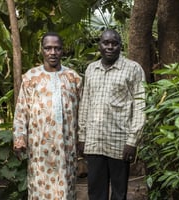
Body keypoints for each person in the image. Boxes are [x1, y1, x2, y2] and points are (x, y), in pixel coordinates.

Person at [78, 29, 146, 200]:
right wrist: (82, 136)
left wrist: (133, 141)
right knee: (95, 191)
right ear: (99, 45)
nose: (110, 47)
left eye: (114, 43)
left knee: (119, 192)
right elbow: (85, 103)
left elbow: (140, 105)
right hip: (94, 141)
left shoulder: (133, 69)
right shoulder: (91, 69)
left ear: (120, 46)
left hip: (120, 142)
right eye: (105, 43)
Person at [13, 32, 82, 200]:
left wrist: (82, 139)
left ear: (62, 51)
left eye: (57, 48)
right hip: (39, 147)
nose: (53, 52)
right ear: (42, 50)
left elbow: (82, 112)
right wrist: (19, 138)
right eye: (48, 48)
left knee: (66, 187)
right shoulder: (31, 77)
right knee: (40, 188)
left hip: (67, 145)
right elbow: (22, 110)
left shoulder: (73, 78)